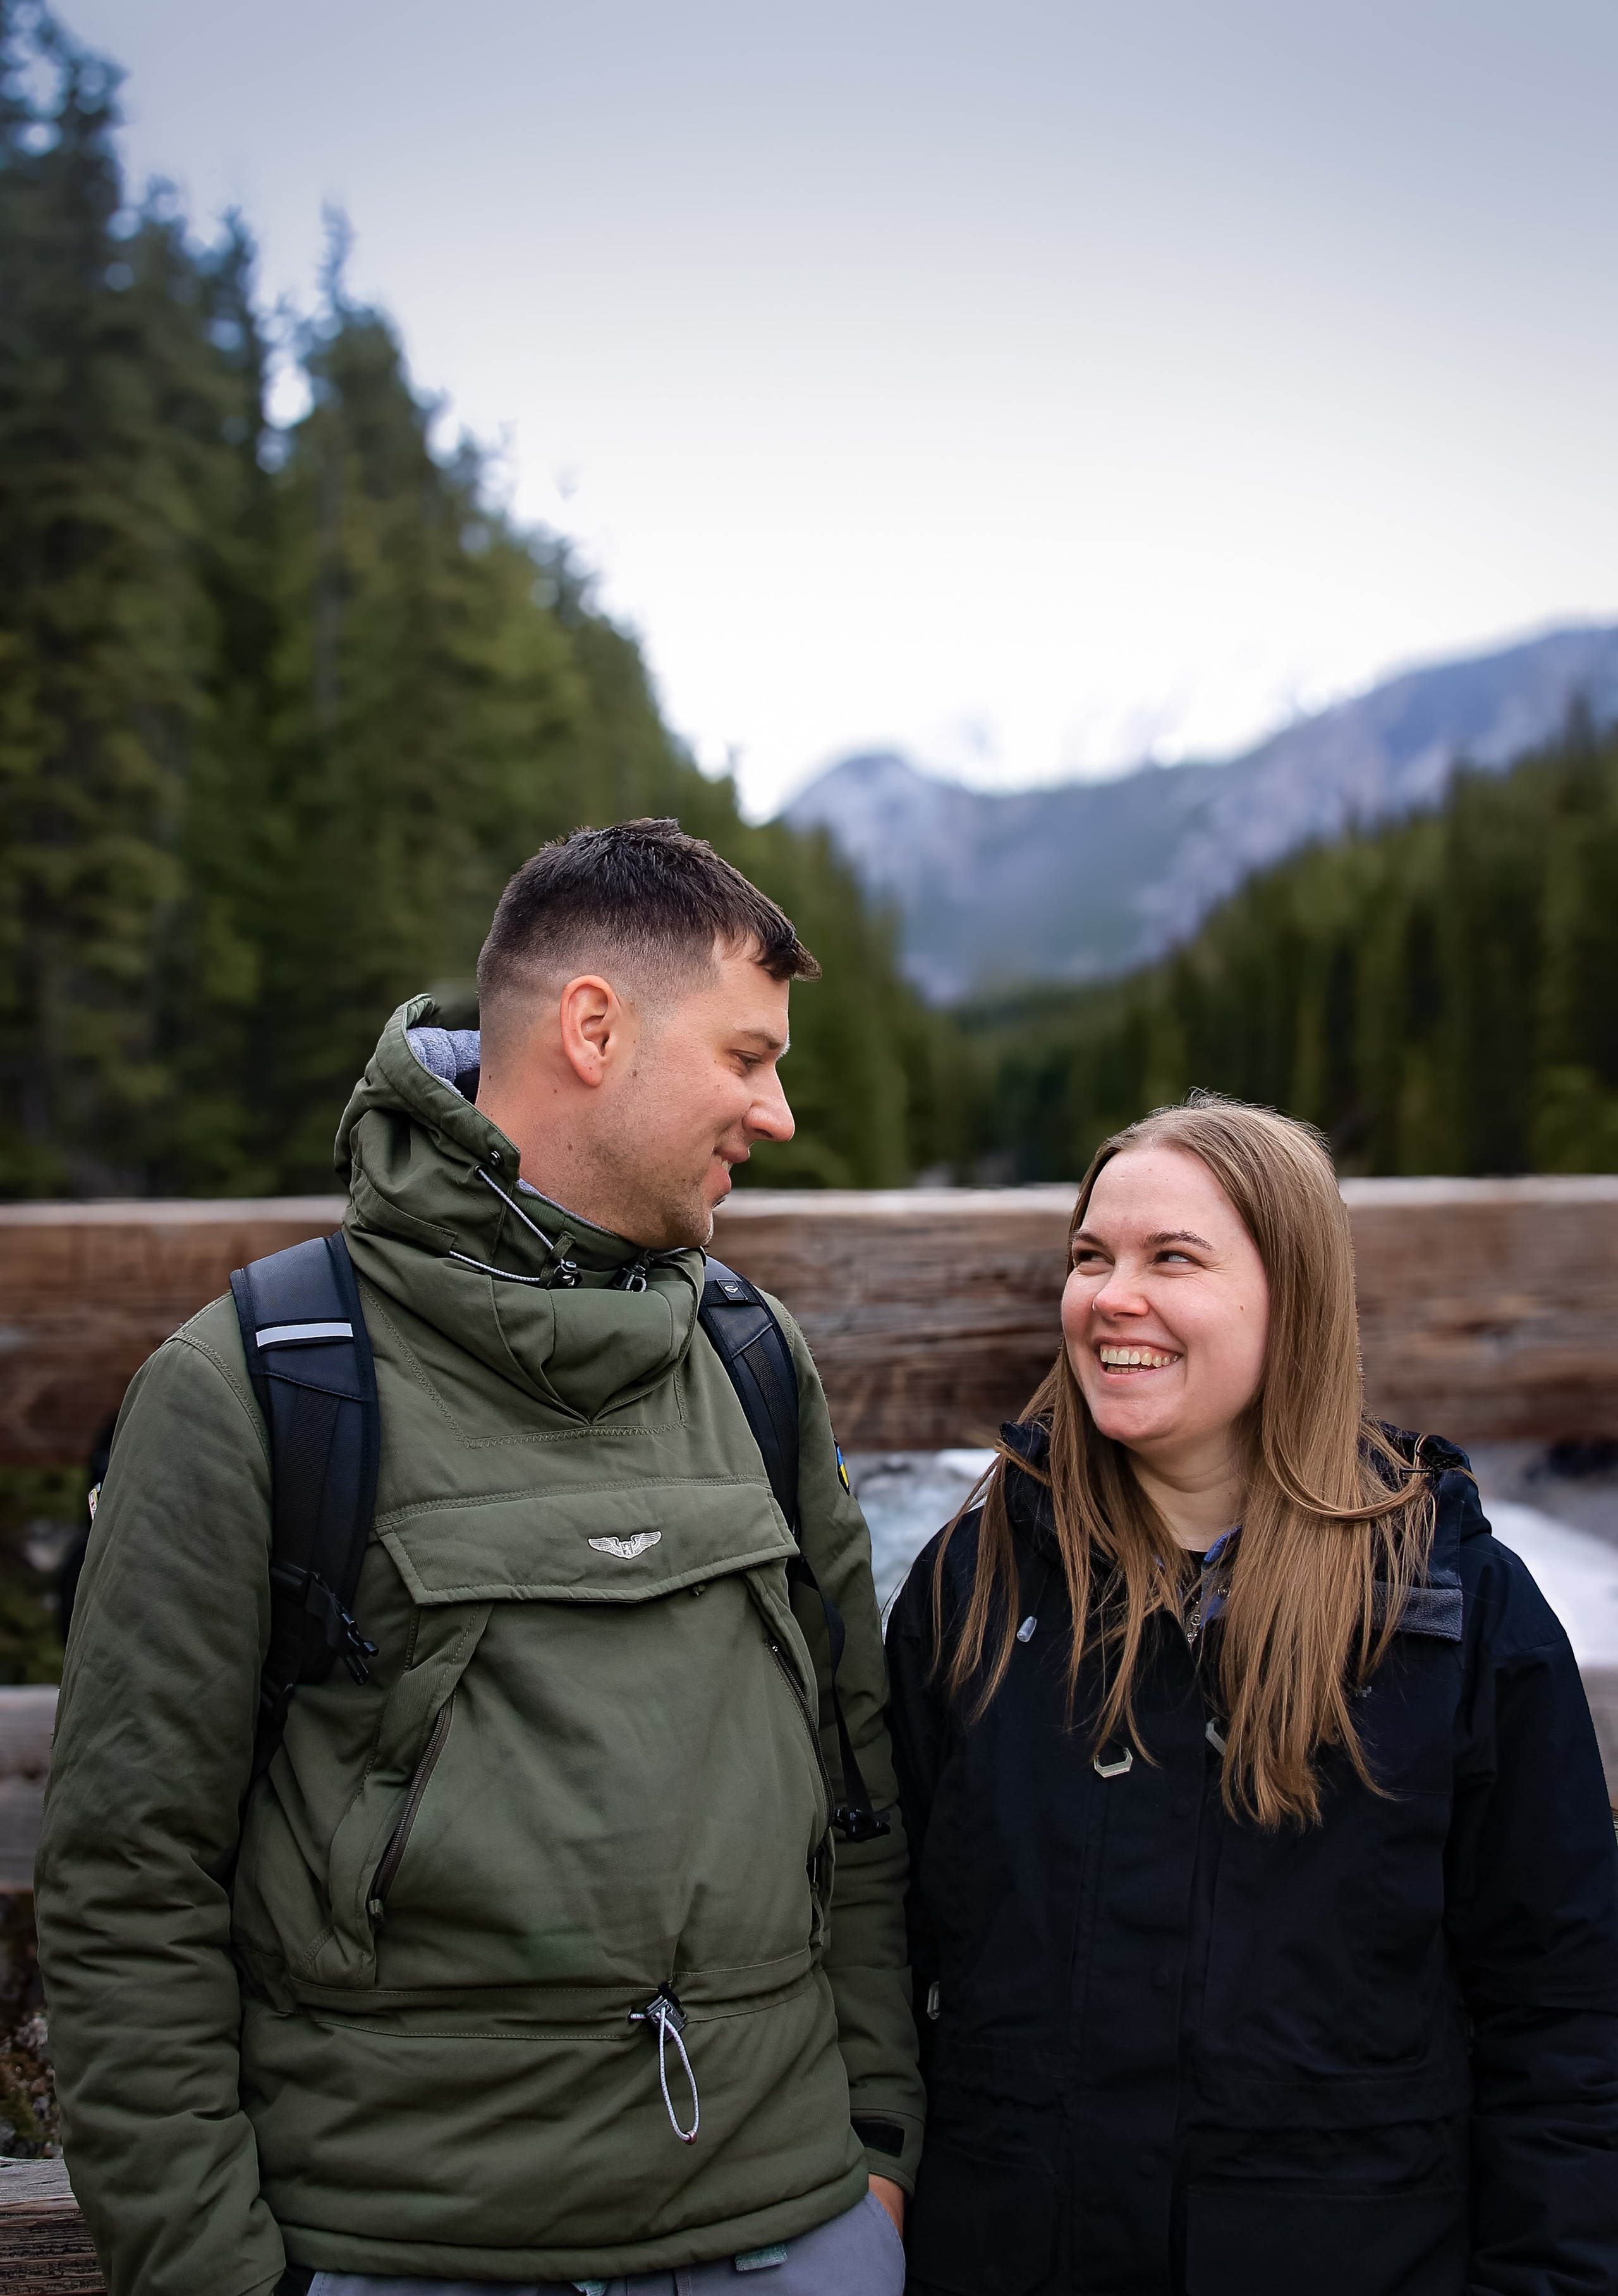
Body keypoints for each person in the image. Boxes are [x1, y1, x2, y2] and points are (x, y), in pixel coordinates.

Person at [37, 820, 920, 2296]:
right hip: (404, 2242)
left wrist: (876, 2152)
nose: (775, 1114)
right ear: (594, 1028)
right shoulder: (262, 1382)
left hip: (792, 2224)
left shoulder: (753, 1363)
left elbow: (857, 1789)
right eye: (747, 1057)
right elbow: (130, 1883)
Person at [887, 1094, 1618, 2296]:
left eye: (1173, 1258)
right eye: (1091, 1257)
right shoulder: (978, 1582)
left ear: (1294, 1297)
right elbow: (883, 1943)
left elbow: (1564, 2017)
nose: (1111, 1297)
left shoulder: (1454, 1608)